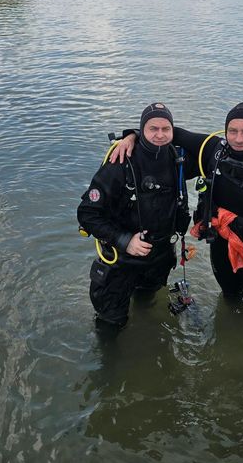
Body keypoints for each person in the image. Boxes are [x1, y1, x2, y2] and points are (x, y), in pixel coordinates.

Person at [113, 102, 243, 314]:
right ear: (225, 131)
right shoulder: (213, 148)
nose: (238, 139)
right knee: (229, 298)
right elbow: (168, 132)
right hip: (220, 244)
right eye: (233, 131)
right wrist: (131, 136)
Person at [77, 103, 195, 330]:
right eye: (152, 129)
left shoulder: (179, 160)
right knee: (111, 326)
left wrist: (131, 133)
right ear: (142, 130)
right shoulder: (121, 162)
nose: (160, 135)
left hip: (158, 261)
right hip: (121, 264)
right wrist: (125, 241)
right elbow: (87, 213)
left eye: (166, 129)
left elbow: (210, 148)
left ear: (173, 130)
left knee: (147, 308)